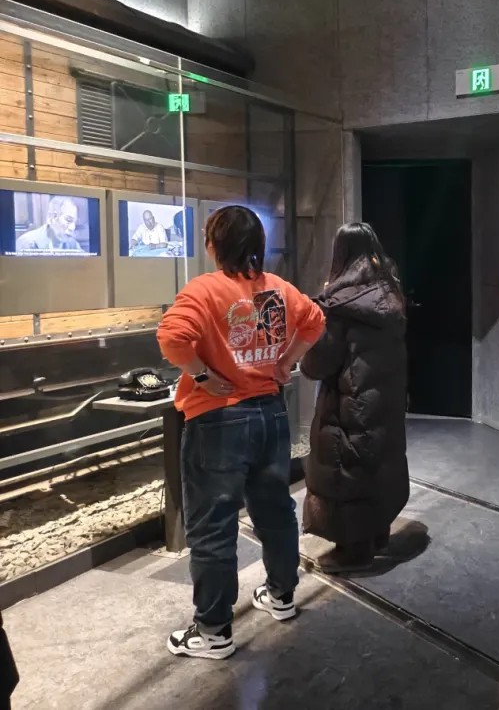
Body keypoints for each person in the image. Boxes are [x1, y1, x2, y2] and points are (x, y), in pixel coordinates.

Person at [157, 205, 325, 660]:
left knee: (213, 525)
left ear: (214, 244)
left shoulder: (203, 289)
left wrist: (202, 374)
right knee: (275, 511)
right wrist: (285, 362)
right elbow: (315, 321)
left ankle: (213, 631)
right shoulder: (279, 289)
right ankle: (282, 595)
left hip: (218, 420)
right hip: (270, 414)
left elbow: (172, 338)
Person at [299, 223, 410, 573]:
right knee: (376, 461)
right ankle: (377, 533)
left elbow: (318, 364)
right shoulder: (389, 293)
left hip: (349, 403)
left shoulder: (338, 304)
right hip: (383, 400)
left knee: (345, 469)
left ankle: (354, 549)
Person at [15, 195, 81, 252]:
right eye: (68, 220)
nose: (72, 228)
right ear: (52, 217)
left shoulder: (73, 244)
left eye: (75, 222)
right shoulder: (26, 243)